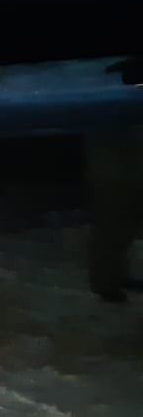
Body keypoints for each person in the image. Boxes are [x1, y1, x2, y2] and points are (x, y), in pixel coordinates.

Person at [83, 126, 143, 302]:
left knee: (121, 225)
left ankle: (114, 276)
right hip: (113, 169)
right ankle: (106, 283)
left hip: (122, 166)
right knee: (111, 224)